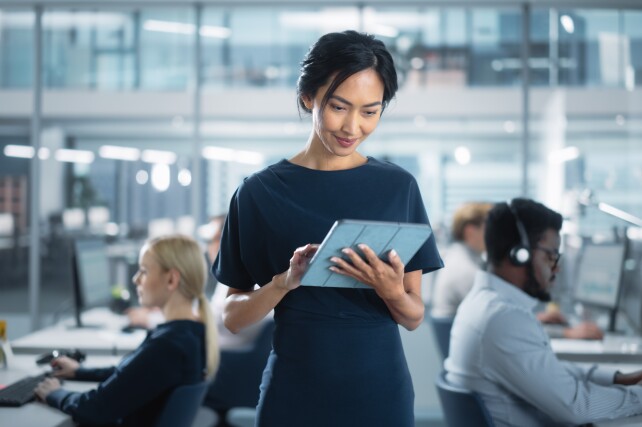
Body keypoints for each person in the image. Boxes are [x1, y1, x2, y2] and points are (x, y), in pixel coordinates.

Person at [212, 30, 443, 427]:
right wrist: (284, 282)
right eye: (339, 107)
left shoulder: (398, 187)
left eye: (370, 112)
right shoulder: (257, 193)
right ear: (308, 97)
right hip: (295, 392)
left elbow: (413, 315)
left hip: (380, 391)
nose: (352, 126)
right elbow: (232, 317)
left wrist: (390, 291)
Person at [445, 198, 642, 426]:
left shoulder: (484, 303)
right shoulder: (503, 318)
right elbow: (576, 407)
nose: (556, 267)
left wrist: (617, 378)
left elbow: (547, 371)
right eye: (551, 256)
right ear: (519, 254)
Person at [34, 235, 219, 426]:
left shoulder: (167, 346)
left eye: (144, 271)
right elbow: (132, 374)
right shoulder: (192, 332)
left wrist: (55, 393)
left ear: (171, 279)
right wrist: (80, 371)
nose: (135, 279)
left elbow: (94, 409)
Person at [431, 201, 603, 340]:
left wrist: (537, 320)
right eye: (489, 228)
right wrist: (567, 333)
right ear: (470, 231)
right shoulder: (464, 270)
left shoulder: (462, 260)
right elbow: (503, 325)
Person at [126, 214, 271, 348]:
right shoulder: (233, 278)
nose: (210, 247)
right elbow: (212, 315)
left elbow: (212, 323)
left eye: (213, 239)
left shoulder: (247, 283)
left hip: (224, 360)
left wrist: (152, 319)